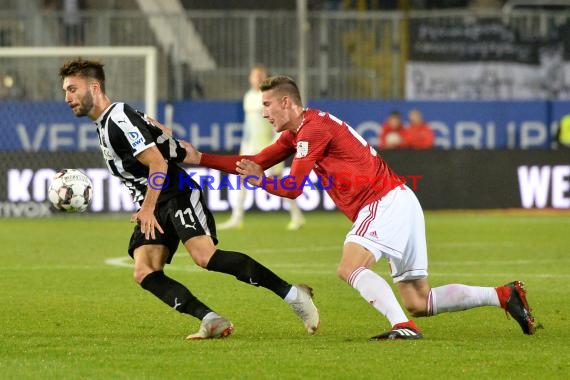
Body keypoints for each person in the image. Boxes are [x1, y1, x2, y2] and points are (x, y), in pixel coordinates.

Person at [183, 75, 537, 340]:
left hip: (381, 201)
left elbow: (291, 188)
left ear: (288, 103)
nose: (264, 114)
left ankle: (402, 327)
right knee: (418, 299)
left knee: (349, 266)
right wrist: (201, 158)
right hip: (400, 202)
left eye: (268, 106)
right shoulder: (300, 132)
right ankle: (503, 296)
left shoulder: (313, 130)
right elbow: (255, 160)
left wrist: (261, 181)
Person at [59, 59, 319, 340]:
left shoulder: (117, 119)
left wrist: (147, 208)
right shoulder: (113, 119)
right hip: (155, 198)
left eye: (73, 89)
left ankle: (294, 295)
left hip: (175, 191)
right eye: (65, 91)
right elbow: (165, 134)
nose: (68, 98)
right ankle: (211, 319)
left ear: (94, 87)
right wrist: (165, 145)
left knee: (205, 257)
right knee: (144, 270)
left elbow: (158, 163)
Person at [218, 64, 305, 231]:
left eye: (260, 75)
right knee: (243, 177)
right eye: (254, 75)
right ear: (250, 78)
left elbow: (280, 121)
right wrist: (244, 146)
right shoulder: (249, 96)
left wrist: (278, 144)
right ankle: (237, 218)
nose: (257, 78)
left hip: (268, 145)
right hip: (251, 145)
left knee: (278, 180)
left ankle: (297, 216)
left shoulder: (272, 96)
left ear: (265, 77)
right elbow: (249, 125)